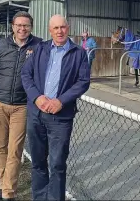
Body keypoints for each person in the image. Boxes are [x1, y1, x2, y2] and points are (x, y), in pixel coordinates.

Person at [21, 14, 91, 201]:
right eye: (55, 28)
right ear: (49, 30)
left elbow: (83, 82)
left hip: (60, 117)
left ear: (68, 28)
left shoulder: (78, 53)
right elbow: (26, 75)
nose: (60, 31)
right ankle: (39, 197)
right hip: (36, 114)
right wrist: (36, 98)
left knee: (58, 163)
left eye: (63, 27)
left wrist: (61, 101)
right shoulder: (39, 49)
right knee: (38, 162)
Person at [0, 11, 42, 201]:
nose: (22, 28)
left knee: (14, 149)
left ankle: (8, 193)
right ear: (13, 27)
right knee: (0, 148)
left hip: (22, 107)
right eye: (19, 25)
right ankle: (3, 185)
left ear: (31, 27)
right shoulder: (3, 44)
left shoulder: (39, 46)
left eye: (26, 25)